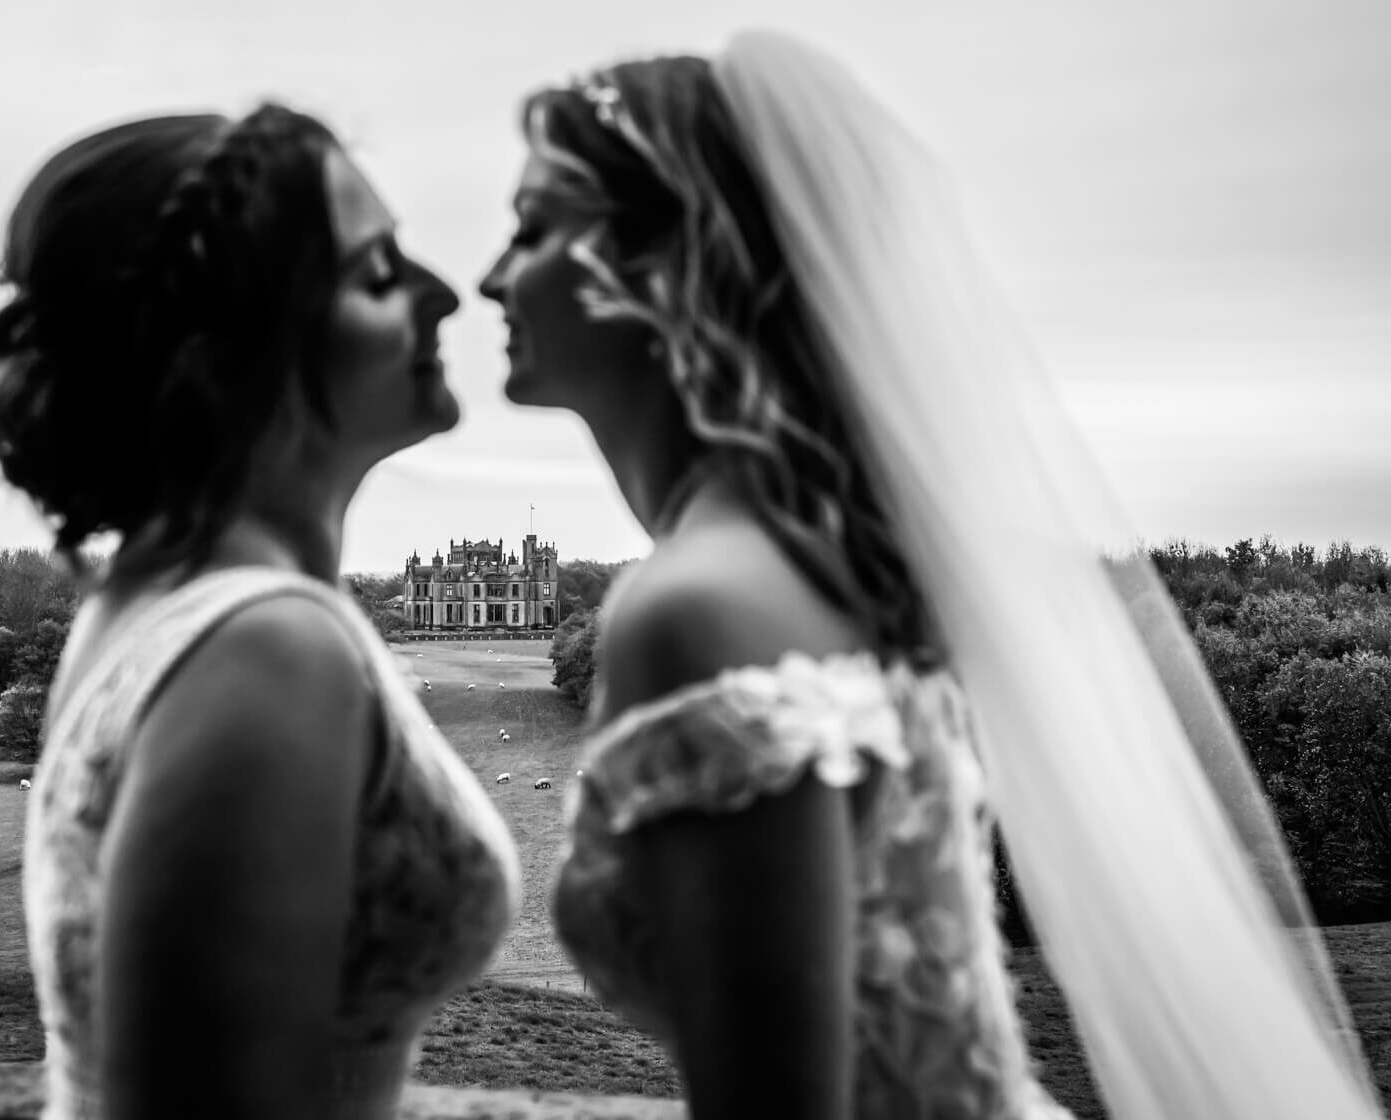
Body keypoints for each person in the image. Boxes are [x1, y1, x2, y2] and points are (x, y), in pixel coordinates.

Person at [480, 29, 1382, 1120]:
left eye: (533, 228)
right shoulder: (837, 570)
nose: (489, 275)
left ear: (658, 266)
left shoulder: (694, 607)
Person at [0, 104, 521, 1119]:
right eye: (376, 274)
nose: (445, 293)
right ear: (240, 350)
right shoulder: (265, 648)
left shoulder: (155, 593)